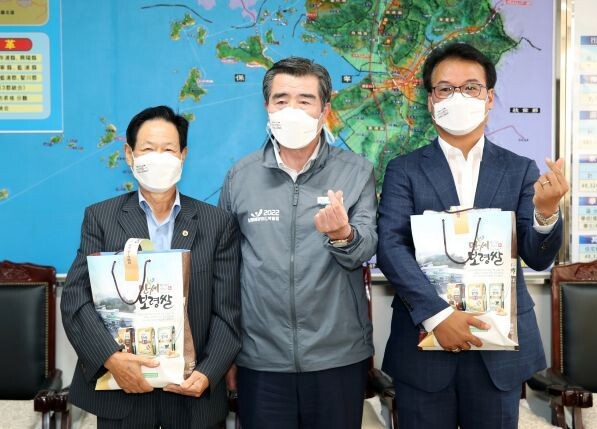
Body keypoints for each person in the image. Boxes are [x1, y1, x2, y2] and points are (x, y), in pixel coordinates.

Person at [377, 42, 568, 429]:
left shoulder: (519, 169)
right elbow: (390, 247)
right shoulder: (404, 169)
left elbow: (537, 258)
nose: (458, 97)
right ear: (431, 100)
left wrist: (546, 211)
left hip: (498, 349)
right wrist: (439, 316)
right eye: (445, 89)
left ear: (489, 97)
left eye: (470, 87)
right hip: (423, 346)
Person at [218, 57, 378, 429]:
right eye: (281, 100)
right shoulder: (240, 177)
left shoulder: (356, 171)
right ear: (267, 107)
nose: (292, 110)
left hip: (337, 358)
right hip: (261, 359)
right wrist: (226, 351)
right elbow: (225, 271)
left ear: (325, 109)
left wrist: (342, 235)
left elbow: (367, 247)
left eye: (305, 101)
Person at [61, 105, 241, 428]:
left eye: (168, 149)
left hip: (193, 400)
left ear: (183, 155)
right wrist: (111, 359)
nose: (158, 158)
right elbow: (75, 299)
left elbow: (228, 312)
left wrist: (207, 373)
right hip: (122, 397)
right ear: (129, 155)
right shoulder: (101, 218)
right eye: (147, 149)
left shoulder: (216, 223)